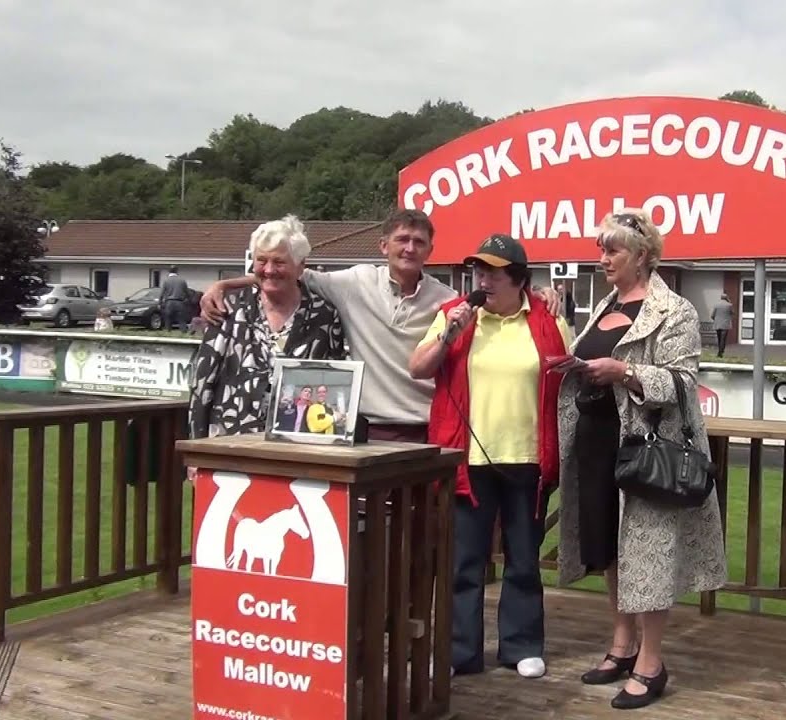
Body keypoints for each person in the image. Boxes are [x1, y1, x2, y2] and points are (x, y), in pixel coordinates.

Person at [548, 209, 727, 710]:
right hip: (596, 444)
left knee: (648, 557)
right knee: (607, 549)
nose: (602, 258)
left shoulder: (676, 311)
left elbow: (684, 383)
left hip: (645, 451)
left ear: (642, 255)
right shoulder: (603, 304)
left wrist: (625, 372)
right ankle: (621, 646)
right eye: (601, 249)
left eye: (612, 250)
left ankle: (652, 662)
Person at [200, 209, 562, 443]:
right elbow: (283, 271)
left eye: (419, 242)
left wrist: (539, 293)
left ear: (430, 250)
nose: (409, 248)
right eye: (402, 239)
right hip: (367, 428)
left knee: (424, 538)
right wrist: (223, 285)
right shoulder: (352, 283)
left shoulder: (446, 298)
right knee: (366, 538)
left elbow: (495, 298)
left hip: (426, 428)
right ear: (383, 244)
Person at [408, 233, 572, 680]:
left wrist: (553, 299)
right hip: (467, 461)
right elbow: (418, 368)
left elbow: (567, 380)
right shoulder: (454, 315)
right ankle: (461, 651)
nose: (483, 279)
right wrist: (449, 333)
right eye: (479, 271)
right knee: (463, 560)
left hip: (527, 458)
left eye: (493, 272)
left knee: (523, 557)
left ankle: (521, 647)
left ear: (519, 279)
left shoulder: (546, 318)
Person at [188, 216, 346, 440]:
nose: (269, 270)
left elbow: (333, 383)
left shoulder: (325, 315)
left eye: (279, 262)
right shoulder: (228, 309)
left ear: (300, 266)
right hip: (228, 443)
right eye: (261, 260)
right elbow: (203, 381)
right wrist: (196, 446)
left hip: (298, 446)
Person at [160, 265, 190, 332]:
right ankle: (183, 332)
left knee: (168, 319)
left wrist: (160, 302)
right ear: (177, 271)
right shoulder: (182, 281)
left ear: (169, 271)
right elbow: (187, 292)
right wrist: (188, 300)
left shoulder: (166, 281)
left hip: (169, 302)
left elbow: (162, 293)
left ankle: (168, 332)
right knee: (181, 319)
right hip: (179, 302)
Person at [711, 293, 734, 357]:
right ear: (726, 298)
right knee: (723, 338)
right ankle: (721, 351)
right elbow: (732, 313)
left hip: (717, 324)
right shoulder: (729, 305)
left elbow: (712, 315)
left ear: (721, 298)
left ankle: (720, 350)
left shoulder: (716, 305)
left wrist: (716, 320)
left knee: (719, 338)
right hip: (725, 324)